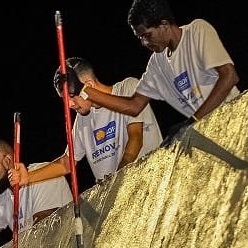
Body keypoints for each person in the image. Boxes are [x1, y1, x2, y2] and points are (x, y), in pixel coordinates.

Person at [78, 0, 241, 137]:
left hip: (237, 118)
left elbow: (229, 76)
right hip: (210, 133)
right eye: (140, 38)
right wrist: (89, 93)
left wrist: (193, 121)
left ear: (164, 24)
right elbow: (134, 106)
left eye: (147, 35)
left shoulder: (197, 31)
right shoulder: (156, 63)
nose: (144, 43)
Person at [9, 57, 163, 188]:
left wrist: (118, 178)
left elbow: (136, 137)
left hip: (153, 180)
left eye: (72, 96)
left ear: (87, 86)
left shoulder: (127, 88)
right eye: (65, 100)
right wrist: (28, 177)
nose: (69, 105)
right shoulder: (82, 119)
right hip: (121, 196)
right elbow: (67, 162)